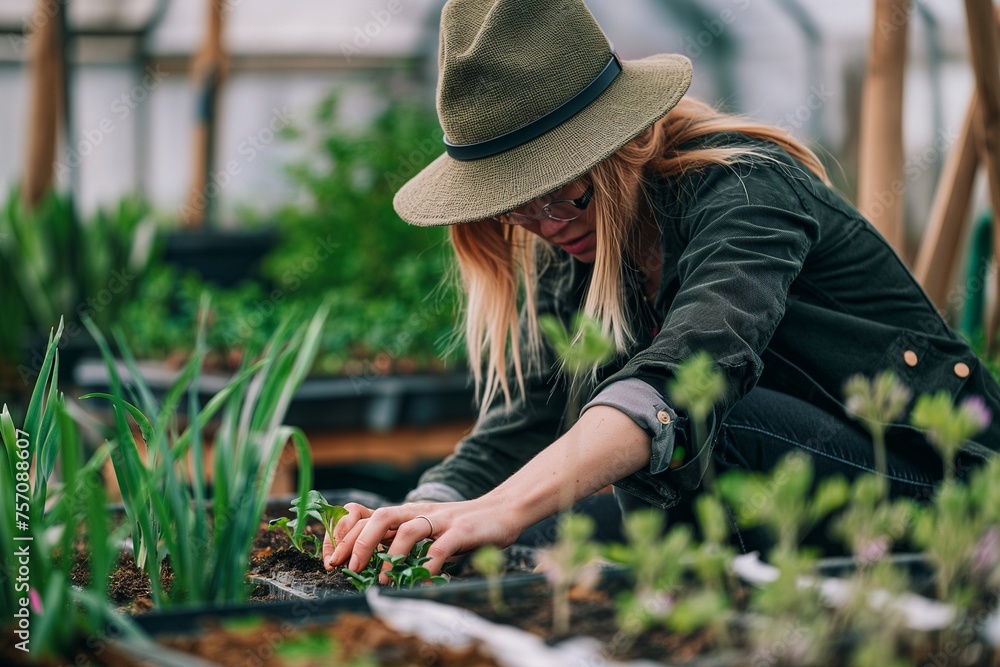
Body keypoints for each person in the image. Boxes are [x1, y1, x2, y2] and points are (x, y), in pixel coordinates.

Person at [324, 0, 1000, 582]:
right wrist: (423, 512)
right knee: (530, 544)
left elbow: (690, 372)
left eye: (562, 195)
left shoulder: (745, 191)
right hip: (797, 489)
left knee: (697, 423)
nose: (546, 225)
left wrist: (504, 506)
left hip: (941, 493)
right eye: (517, 208)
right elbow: (524, 423)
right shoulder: (577, 247)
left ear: (615, 145)